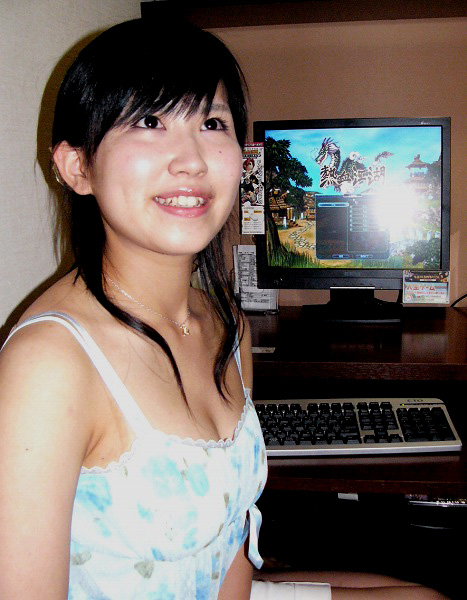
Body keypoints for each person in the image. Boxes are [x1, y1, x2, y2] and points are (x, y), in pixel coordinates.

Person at [0, 17, 449, 600]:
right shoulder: (49, 364)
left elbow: (234, 550)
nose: (191, 159)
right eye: (150, 122)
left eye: (211, 122)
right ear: (77, 167)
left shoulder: (225, 327)